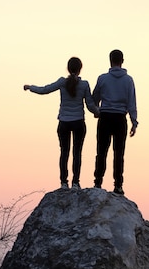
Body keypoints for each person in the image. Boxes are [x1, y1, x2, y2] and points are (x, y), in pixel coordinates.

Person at [24, 57, 99, 191]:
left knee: (64, 152)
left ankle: (64, 182)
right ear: (80, 69)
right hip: (78, 122)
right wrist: (99, 113)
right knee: (77, 153)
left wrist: (30, 87)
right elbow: (90, 105)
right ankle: (75, 183)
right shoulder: (84, 84)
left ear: (68, 68)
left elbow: (44, 90)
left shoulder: (62, 82)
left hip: (64, 122)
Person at [92, 49, 138, 195]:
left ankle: (98, 182)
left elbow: (95, 98)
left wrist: (96, 111)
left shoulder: (102, 78)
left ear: (110, 60)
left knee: (101, 151)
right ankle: (118, 185)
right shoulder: (128, 80)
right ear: (122, 61)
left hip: (105, 116)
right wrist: (134, 121)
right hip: (120, 118)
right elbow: (132, 102)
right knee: (119, 153)